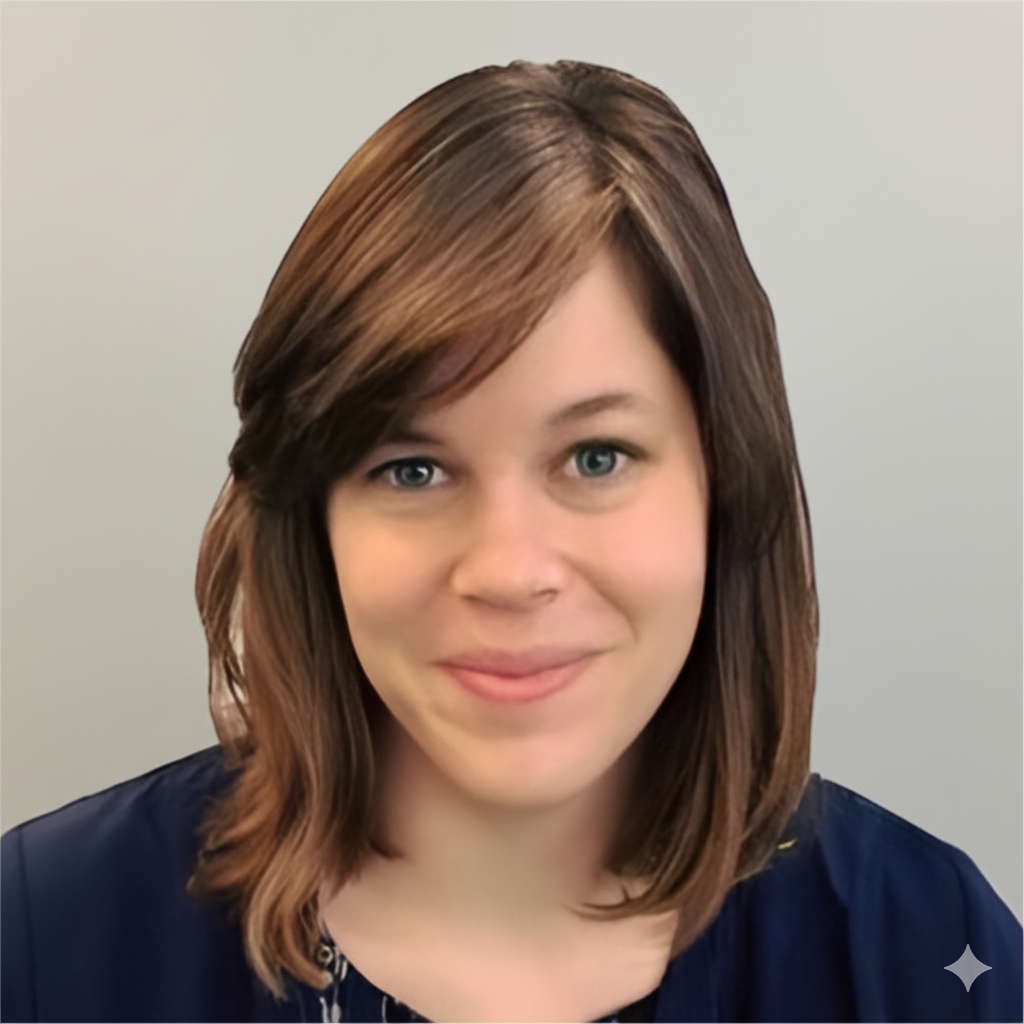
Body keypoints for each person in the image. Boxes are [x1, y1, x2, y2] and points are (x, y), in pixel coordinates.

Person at [1, 60, 1019, 1024]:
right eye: (410, 468)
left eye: (595, 457)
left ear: (724, 479)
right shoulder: (44, 937)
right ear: (311, 518)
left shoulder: (928, 950)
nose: (508, 571)